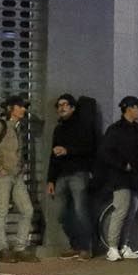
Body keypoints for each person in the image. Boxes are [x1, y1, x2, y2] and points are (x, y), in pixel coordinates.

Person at [0, 96, 37, 262]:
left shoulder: (17, 127)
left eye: (24, 107)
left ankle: (20, 247)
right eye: (20, 106)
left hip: (16, 175)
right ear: (11, 108)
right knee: (2, 212)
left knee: (27, 210)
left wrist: (20, 167)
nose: (24, 109)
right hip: (3, 176)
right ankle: (3, 249)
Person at [97, 97, 138, 261]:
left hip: (134, 178)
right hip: (119, 177)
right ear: (128, 109)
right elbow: (105, 152)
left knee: (131, 212)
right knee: (121, 210)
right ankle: (112, 247)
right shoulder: (115, 129)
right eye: (137, 107)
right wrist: (122, 165)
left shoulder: (137, 130)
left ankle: (124, 245)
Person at [47, 93, 98, 259]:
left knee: (79, 210)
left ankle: (86, 247)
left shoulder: (83, 126)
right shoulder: (59, 128)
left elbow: (90, 148)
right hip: (62, 175)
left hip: (78, 173)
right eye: (59, 105)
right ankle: (75, 244)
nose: (61, 108)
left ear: (73, 107)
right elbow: (53, 155)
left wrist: (68, 150)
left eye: (64, 104)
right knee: (62, 214)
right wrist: (51, 179)